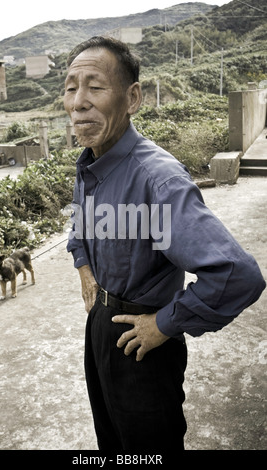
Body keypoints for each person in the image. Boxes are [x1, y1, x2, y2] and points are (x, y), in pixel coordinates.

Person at [64, 36, 266, 451]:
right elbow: (79, 224)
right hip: (100, 327)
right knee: (112, 442)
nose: (79, 101)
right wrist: (85, 268)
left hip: (143, 344)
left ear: (132, 97)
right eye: (70, 87)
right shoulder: (90, 163)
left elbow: (237, 275)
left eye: (95, 87)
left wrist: (164, 324)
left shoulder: (158, 179)